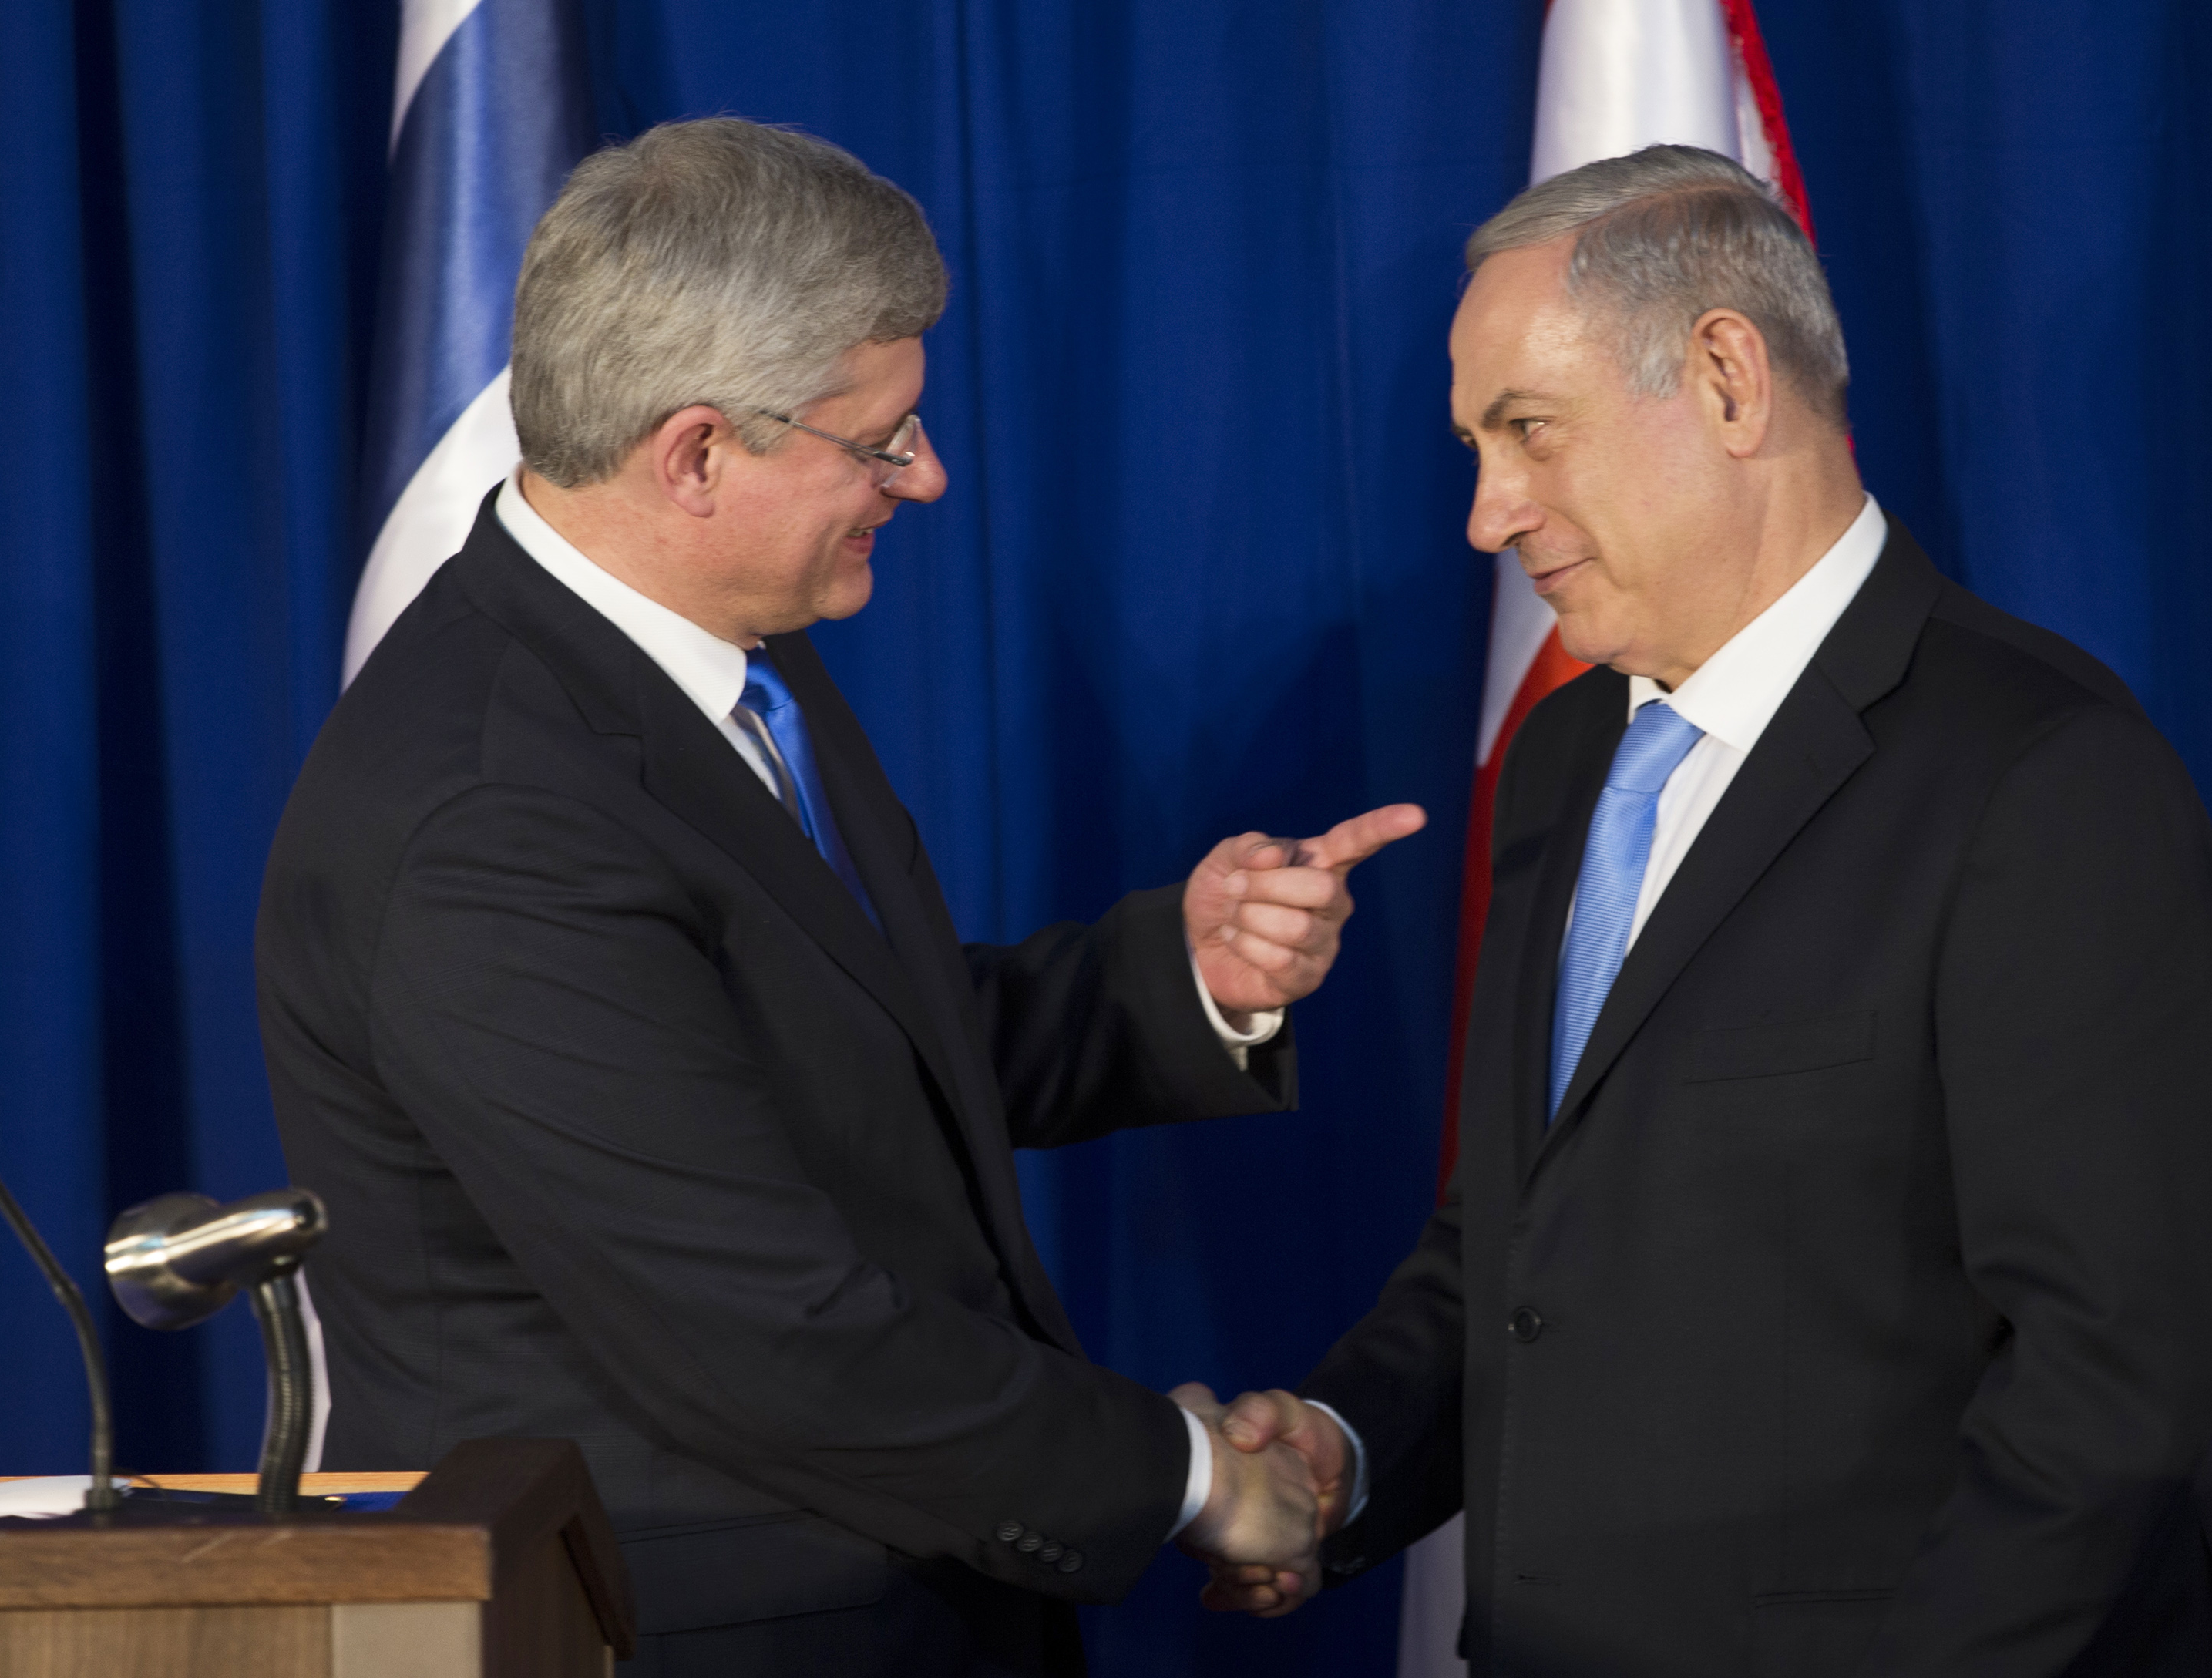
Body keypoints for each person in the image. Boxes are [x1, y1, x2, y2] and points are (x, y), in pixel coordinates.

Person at [256, 117, 1421, 1676]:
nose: (924, 478)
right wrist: (1201, 1481)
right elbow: (769, 1334)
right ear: (695, 454)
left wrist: (1183, 979)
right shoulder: (489, 817)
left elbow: (840, 1053)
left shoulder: (720, 654)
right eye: (878, 442)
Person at [1198, 146, 2212, 1676]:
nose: (1487, 514)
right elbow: (1522, 1239)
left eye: (1528, 430)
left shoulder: (2044, 776)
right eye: (1474, 447)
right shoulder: (1567, 757)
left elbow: (2104, 1389)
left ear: (1725, 378)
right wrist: (1344, 1449)